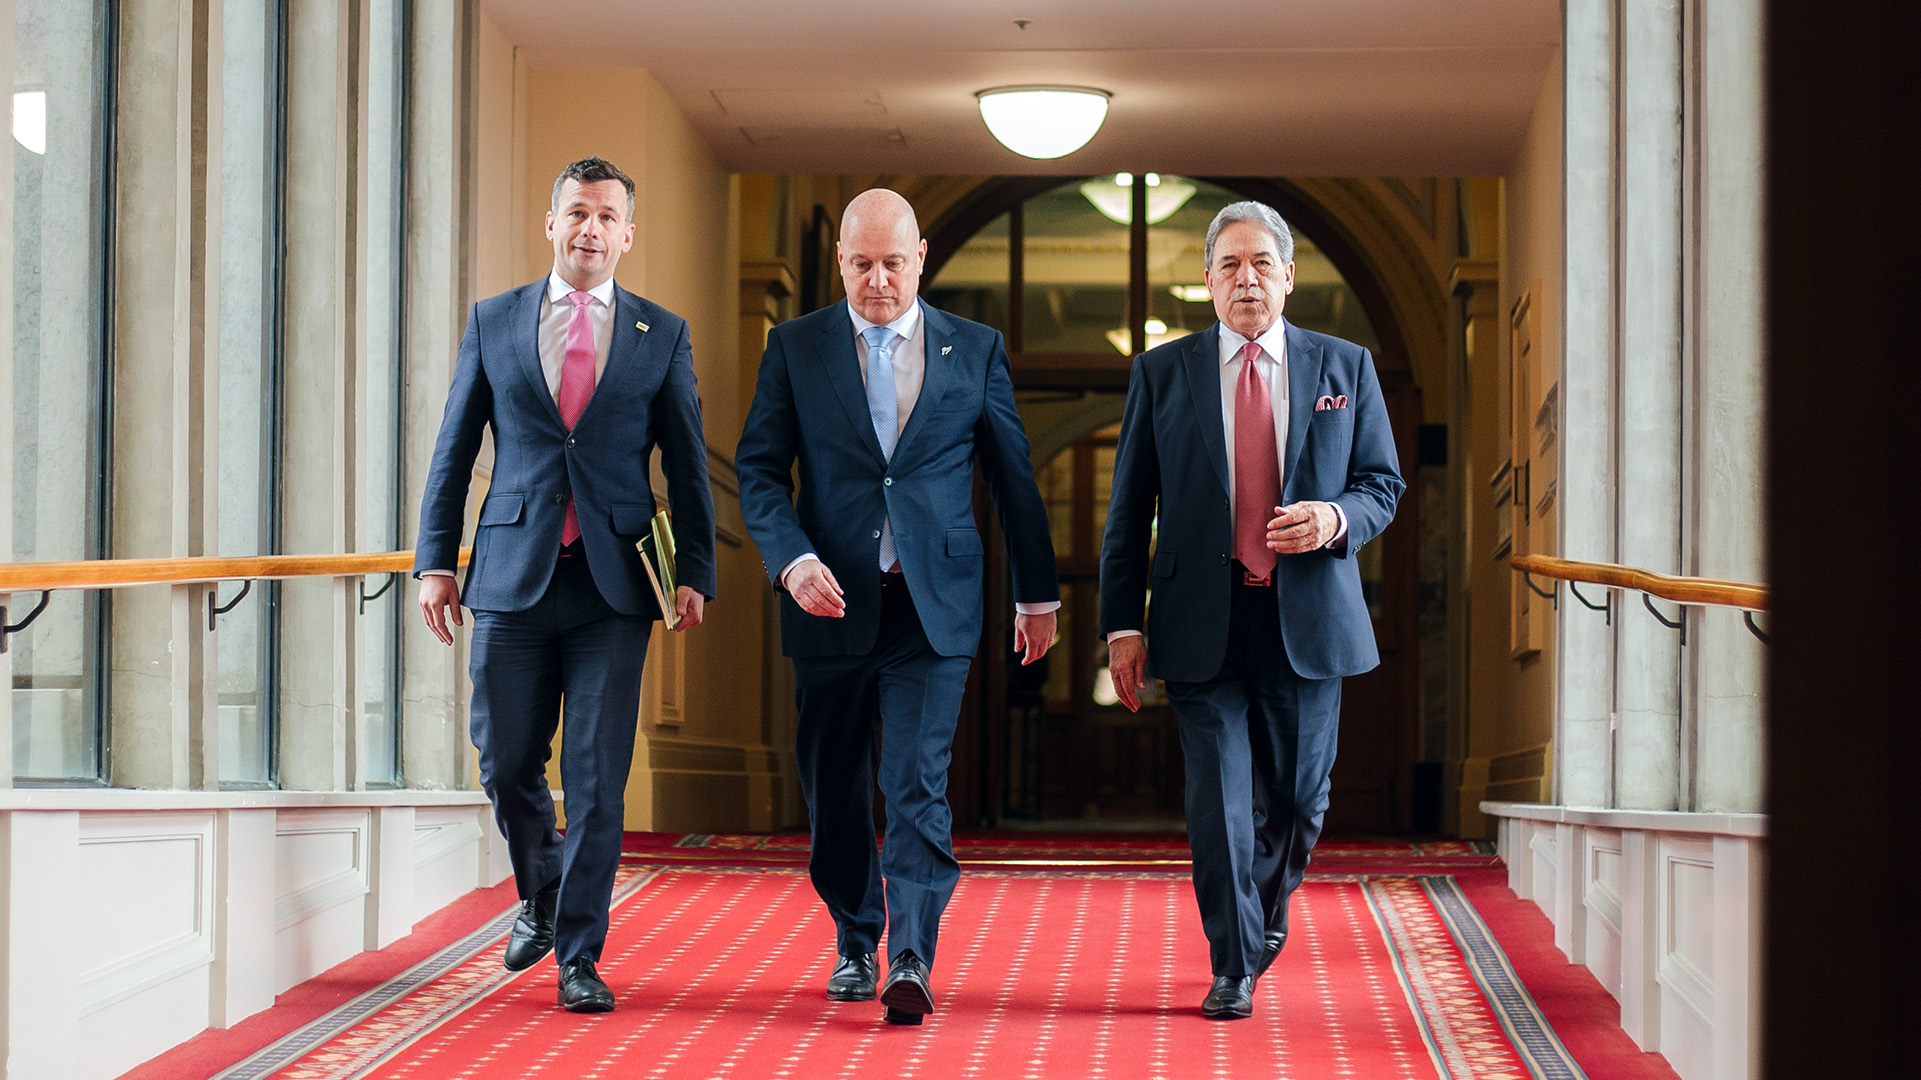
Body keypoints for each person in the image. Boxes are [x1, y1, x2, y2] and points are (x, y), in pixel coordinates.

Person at [736, 188, 1059, 1026]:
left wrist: (1037, 594)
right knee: (834, 785)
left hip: (933, 605)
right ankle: (855, 933)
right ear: (840, 260)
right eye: (860, 264)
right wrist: (790, 559)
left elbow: (1013, 479)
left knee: (915, 781)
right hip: (831, 600)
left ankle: (909, 952)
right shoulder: (795, 347)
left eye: (892, 263)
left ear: (920, 258)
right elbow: (762, 472)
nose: (877, 281)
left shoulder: (974, 349)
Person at [413, 156, 717, 1014]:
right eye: (576, 212)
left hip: (613, 591)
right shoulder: (495, 321)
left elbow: (690, 466)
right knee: (507, 763)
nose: (590, 229)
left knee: (595, 781)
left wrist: (692, 571)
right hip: (511, 578)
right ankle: (539, 891)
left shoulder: (663, 334)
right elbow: (454, 448)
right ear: (551, 224)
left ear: (628, 234)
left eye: (607, 216)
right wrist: (436, 559)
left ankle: (580, 954)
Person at [1099, 200, 1403, 1020]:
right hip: (1201, 619)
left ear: (1289, 277)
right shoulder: (1163, 373)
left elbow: (1382, 486)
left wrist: (1333, 518)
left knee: (1300, 802)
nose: (1245, 279)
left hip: (1306, 619)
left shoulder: (1346, 368)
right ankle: (1232, 959)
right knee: (1220, 800)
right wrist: (1122, 626)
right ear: (1205, 281)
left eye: (1260, 263)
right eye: (1228, 265)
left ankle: (1263, 913)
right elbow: (1128, 511)